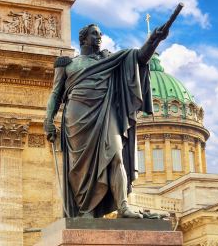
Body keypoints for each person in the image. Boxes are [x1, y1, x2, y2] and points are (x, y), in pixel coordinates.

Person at [44, 23, 168, 218]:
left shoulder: (111, 59)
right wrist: (48, 120)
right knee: (82, 167)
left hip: (106, 110)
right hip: (77, 117)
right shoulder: (67, 64)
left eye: (100, 34)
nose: (99, 37)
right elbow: (55, 94)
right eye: (94, 34)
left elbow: (139, 57)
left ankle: (123, 206)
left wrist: (154, 40)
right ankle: (87, 210)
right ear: (84, 38)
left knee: (116, 155)